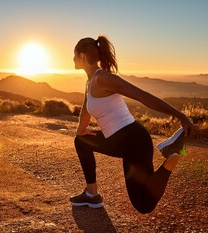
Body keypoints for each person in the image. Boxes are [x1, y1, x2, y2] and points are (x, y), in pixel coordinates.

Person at [70, 35, 193, 214]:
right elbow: (85, 112)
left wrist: (179, 115)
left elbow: (142, 96)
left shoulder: (104, 78)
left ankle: (170, 160)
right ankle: (91, 194)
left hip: (134, 142)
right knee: (81, 141)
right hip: (117, 141)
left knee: (144, 205)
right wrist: (81, 130)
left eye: (74, 55)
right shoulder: (89, 81)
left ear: (81, 57)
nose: (72, 59)